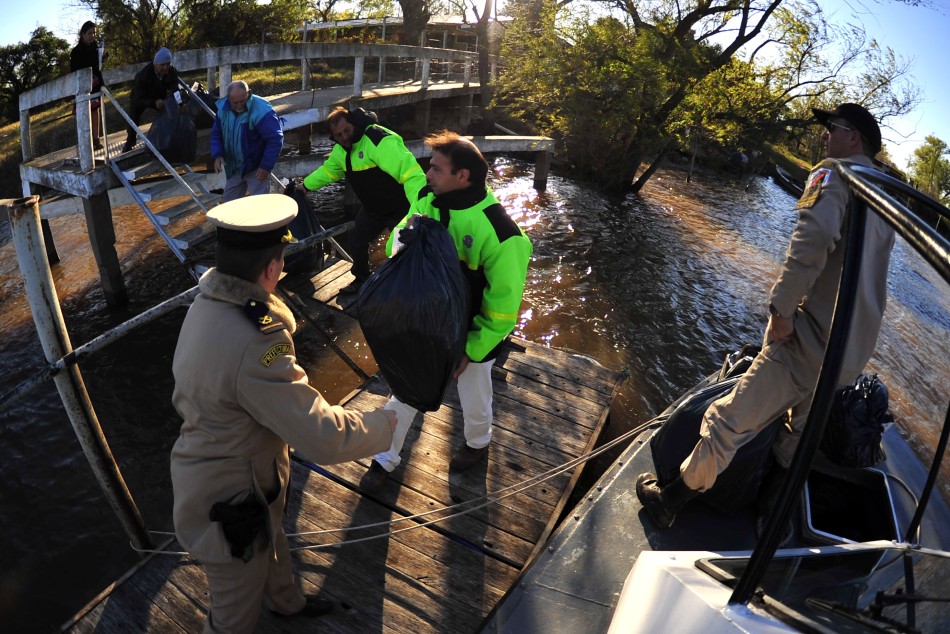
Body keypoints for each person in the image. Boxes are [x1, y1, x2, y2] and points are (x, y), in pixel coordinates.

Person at [636, 103, 896, 531]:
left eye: (832, 128)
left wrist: (781, 310)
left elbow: (812, 241)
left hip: (809, 339)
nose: (825, 136)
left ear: (854, 139)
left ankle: (671, 500)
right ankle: (768, 514)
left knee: (727, 419)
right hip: (849, 352)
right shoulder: (883, 193)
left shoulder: (835, 172)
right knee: (797, 434)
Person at [169, 193, 397, 633]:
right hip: (231, 500)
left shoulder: (205, 305)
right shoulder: (258, 340)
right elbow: (320, 437)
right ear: (272, 269)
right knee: (231, 615)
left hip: (243, 475)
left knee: (272, 546)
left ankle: (285, 604)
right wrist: (384, 424)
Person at [358, 131, 533, 493]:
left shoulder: (503, 234)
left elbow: (503, 308)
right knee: (406, 387)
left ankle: (477, 444)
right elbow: (395, 244)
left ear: (463, 176)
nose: (427, 173)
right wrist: (402, 241)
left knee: (474, 393)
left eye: (436, 168)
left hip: (470, 332)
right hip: (425, 322)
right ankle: (385, 457)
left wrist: (471, 350)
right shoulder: (427, 199)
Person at [303, 106, 426, 294]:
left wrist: (420, 209)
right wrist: (304, 186)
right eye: (338, 135)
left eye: (347, 131)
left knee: (404, 248)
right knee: (356, 241)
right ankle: (362, 280)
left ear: (354, 124)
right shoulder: (340, 150)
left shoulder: (379, 140)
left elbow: (411, 175)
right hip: (373, 209)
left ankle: (407, 290)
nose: (344, 137)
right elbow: (329, 171)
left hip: (400, 207)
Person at [211, 80, 284, 202]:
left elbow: (275, 139)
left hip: (257, 168)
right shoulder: (222, 109)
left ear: (248, 93)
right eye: (235, 103)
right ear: (228, 99)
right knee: (229, 205)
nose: (239, 105)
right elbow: (217, 133)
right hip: (234, 168)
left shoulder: (262, 109)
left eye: (242, 101)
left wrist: (266, 166)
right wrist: (217, 154)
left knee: (261, 205)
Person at [123, 47, 180, 152]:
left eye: (168, 64)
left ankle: (170, 135)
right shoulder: (143, 75)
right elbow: (137, 98)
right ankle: (130, 141)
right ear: (155, 64)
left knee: (171, 109)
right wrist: (153, 103)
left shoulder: (172, 71)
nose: (165, 67)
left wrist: (176, 100)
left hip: (161, 94)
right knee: (133, 115)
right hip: (142, 96)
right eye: (162, 65)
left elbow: (175, 89)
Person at [70, 21, 106, 150]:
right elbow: (75, 70)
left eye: (94, 33)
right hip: (83, 87)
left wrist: (102, 58)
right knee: (85, 113)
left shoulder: (95, 47)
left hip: (96, 84)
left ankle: (96, 139)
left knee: (96, 110)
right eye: (89, 33)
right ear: (83, 34)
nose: (92, 36)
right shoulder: (76, 51)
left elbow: (97, 66)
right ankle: (87, 142)